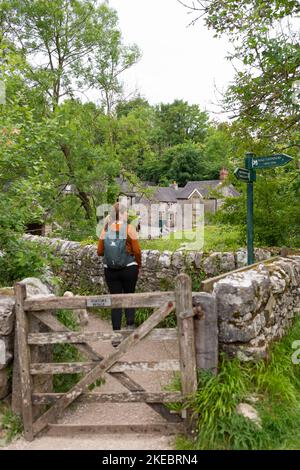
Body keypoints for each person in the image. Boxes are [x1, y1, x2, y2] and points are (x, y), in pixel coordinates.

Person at [97, 203, 141, 344]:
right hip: (129, 268)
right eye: (126, 212)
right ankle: (130, 329)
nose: (127, 214)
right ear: (121, 214)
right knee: (129, 297)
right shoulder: (129, 228)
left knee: (115, 301)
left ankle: (116, 337)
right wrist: (138, 265)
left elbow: (99, 252)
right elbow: (137, 251)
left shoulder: (105, 229)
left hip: (110, 271)